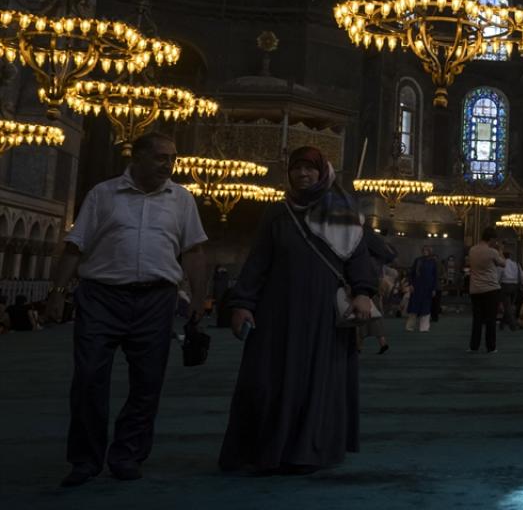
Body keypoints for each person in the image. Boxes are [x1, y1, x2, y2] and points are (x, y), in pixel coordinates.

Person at [45, 133, 208, 487]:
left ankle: (128, 454)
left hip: (156, 299)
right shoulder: (103, 194)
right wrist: (57, 293)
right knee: (89, 378)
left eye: (173, 158)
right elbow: (74, 246)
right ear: (137, 157)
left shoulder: (181, 199)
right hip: (101, 297)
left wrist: (199, 297)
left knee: (148, 382)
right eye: (161, 157)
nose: (169, 165)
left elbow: (194, 251)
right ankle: (85, 460)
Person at [219, 146, 375, 474]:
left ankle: (306, 452)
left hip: (323, 313)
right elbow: (258, 261)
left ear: (322, 172)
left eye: (310, 168)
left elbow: (358, 257)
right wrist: (242, 304)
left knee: (317, 380)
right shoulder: (278, 212)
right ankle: (267, 451)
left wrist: (363, 292)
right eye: (296, 168)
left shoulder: (344, 210)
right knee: (268, 379)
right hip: (277, 310)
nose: (302, 174)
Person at [467, 228, 504, 353]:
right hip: (490, 289)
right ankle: (491, 347)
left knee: (477, 319)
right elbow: (503, 264)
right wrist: (500, 250)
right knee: (490, 319)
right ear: (491, 239)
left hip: (475, 289)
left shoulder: (472, 250)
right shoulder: (492, 252)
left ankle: (474, 346)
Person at [358, 229, 394, 355]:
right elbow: (392, 255)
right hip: (376, 285)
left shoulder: (366, 257)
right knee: (374, 316)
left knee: (361, 317)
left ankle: (359, 345)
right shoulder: (379, 258)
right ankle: (382, 342)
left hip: (366, 286)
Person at [405, 246, 439, 332]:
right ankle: (410, 326)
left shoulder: (433, 262)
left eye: (427, 250)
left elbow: (435, 276)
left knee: (426, 308)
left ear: (430, 251)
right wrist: (411, 284)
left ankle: (424, 328)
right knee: (414, 307)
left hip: (428, 288)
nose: (425, 252)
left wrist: (434, 289)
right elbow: (412, 274)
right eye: (424, 250)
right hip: (417, 287)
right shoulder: (417, 260)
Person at [500, 250, 522, 331]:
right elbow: (521, 275)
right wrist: (520, 284)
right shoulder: (515, 264)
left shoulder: (502, 263)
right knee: (509, 306)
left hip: (505, 285)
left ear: (503, 256)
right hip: (515, 285)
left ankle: (513, 325)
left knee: (507, 306)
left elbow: (499, 274)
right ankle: (502, 324)